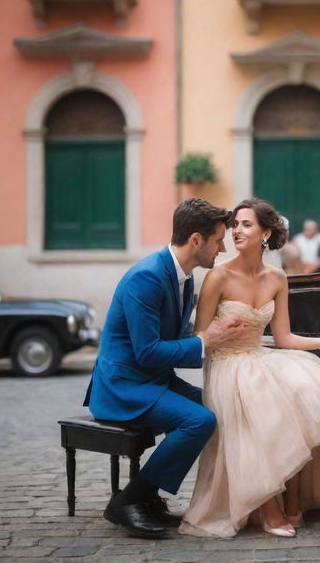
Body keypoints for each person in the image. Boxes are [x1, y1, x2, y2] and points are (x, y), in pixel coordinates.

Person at [179, 198, 320, 539]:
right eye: (234, 225)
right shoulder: (217, 277)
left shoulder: (277, 278)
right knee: (268, 408)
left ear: (265, 233)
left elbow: (283, 336)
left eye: (246, 224)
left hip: (257, 357)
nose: (236, 230)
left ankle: (293, 500)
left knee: (307, 391)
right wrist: (216, 336)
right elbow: (200, 338)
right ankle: (269, 509)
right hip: (225, 364)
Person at [84, 199, 250, 539]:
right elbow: (146, 352)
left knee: (217, 403)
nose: (222, 247)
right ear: (195, 240)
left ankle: (149, 497)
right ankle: (130, 500)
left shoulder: (185, 278)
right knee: (200, 420)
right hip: (124, 386)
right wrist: (205, 341)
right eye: (218, 239)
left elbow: (175, 334)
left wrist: (219, 335)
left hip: (154, 380)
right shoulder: (146, 278)